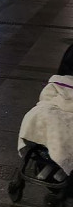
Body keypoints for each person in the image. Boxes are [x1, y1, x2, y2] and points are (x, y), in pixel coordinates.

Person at [17, 45, 73, 184]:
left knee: (45, 116)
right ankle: (60, 163)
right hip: (61, 95)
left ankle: (55, 163)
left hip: (55, 104)